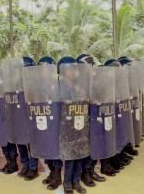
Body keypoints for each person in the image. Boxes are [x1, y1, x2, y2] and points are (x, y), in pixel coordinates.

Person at [75, 54, 106, 188]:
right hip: (81, 117)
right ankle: (82, 173)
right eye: (87, 64)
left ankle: (89, 171)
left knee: (93, 144)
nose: (89, 66)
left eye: (91, 64)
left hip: (94, 115)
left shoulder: (95, 79)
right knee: (83, 146)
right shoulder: (76, 81)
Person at [58, 56, 88, 194]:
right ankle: (67, 183)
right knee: (70, 156)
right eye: (71, 69)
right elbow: (61, 102)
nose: (74, 71)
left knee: (80, 153)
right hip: (66, 125)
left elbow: (85, 99)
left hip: (80, 122)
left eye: (75, 69)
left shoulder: (78, 84)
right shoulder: (59, 85)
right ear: (63, 70)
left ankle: (76, 182)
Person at [36, 56, 63, 191]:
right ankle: (52, 172)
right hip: (43, 120)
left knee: (55, 149)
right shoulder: (38, 84)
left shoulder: (58, 83)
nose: (43, 71)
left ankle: (57, 176)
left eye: (46, 68)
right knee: (46, 148)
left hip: (55, 121)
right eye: (41, 69)